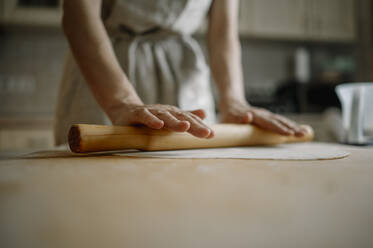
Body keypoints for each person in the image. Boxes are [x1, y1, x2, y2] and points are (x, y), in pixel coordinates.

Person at [55, 0, 306, 145]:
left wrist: (233, 101)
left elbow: (222, 32)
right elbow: (79, 17)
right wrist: (122, 104)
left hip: (185, 76)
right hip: (105, 76)